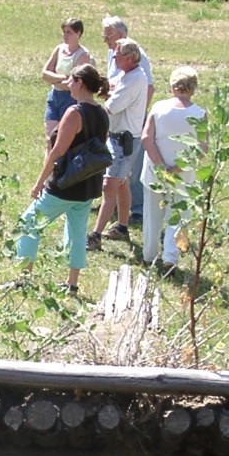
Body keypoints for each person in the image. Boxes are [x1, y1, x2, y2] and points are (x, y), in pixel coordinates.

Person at [16, 63, 110, 296]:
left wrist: (39, 182)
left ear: (80, 83)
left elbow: (58, 151)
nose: (67, 84)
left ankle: (24, 279)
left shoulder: (74, 113)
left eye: (71, 80)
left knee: (29, 223)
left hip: (66, 185)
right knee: (77, 232)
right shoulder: (102, 112)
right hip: (89, 184)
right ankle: (72, 284)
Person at [140, 66, 206, 272]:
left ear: (172, 86)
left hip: (155, 172)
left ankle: (149, 254)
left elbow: (146, 138)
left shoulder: (159, 108)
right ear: (193, 88)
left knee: (152, 215)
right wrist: (178, 167)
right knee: (178, 215)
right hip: (183, 175)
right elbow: (202, 148)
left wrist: (161, 166)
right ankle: (170, 256)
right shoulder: (200, 114)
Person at [86, 38, 149, 251]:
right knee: (122, 183)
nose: (114, 57)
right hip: (120, 138)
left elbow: (111, 107)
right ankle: (122, 227)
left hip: (124, 141)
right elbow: (110, 89)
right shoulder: (128, 75)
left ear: (130, 58)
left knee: (109, 185)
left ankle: (95, 236)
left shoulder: (134, 80)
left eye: (118, 54)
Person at [100, 14, 154, 223]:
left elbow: (149, 87)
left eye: (108, 36)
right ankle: (114, 208)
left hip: (132, 120)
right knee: (118, 172)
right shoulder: (114, 54)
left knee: (132, 167)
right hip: (119, 117)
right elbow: (115, 83)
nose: (105, 40)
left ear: (120, 35)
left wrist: (139, 116)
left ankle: (138, 209)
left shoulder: (137, 58)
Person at [41, 18, 94, 140]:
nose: (65, 35)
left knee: (63, 138)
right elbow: (44, 74)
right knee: (49, 138)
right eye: (64, 32)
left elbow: (72, 84)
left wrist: (54, 79)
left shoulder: (83, 55)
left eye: (69, 32)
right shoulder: (59, 49)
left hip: (70, 98)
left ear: (78, 33)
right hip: (54, 96)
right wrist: (62, 77)